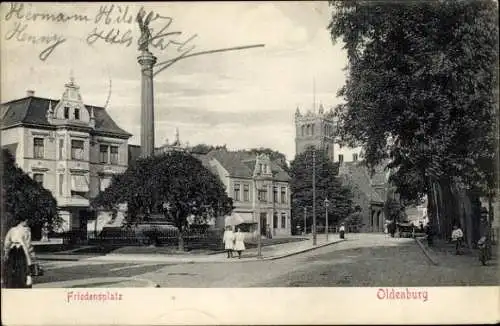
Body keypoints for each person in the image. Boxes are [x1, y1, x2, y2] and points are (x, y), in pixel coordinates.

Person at [3, 217, 36, 288]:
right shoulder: (27, 230)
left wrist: (6, 252)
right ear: (23, 221)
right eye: (26, 220)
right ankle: (23, 285)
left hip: (13, 251)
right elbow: (28, 243)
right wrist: (31, 254)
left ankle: (11, 285)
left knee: (12, 269)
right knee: (23, 269)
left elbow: (7, 242)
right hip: (22, 251)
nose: (27, 222)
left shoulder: (12, 229)